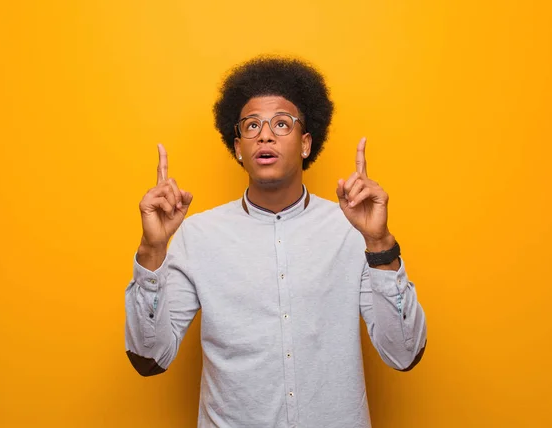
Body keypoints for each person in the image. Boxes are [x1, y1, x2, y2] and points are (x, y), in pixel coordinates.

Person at [125, 56, 427, 428]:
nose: (265, 135)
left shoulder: (354, 231)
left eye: (281, 124)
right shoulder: (197, 235)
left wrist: (379, 243)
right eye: (252, 126)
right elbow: (149, 359)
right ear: (238, 147)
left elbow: (405, 353)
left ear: (305, 144)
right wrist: (152, 252)